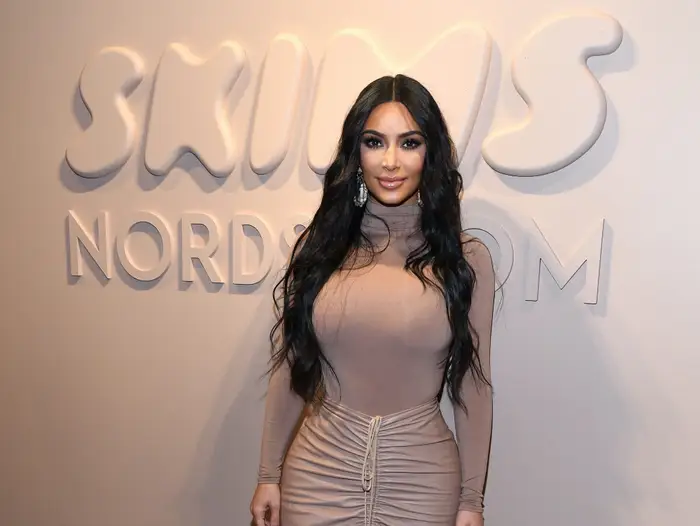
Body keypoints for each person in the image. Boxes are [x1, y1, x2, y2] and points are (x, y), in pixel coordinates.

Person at [250, 74, 496, 526]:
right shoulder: (318, 250)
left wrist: (471, 501)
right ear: (356, 152)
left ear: (430, 154)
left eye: (409, 143)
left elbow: (472, 386)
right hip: (316, 475)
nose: (390, 161)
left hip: (422, 484)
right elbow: (290, 365)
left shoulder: (465, 260)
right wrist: (268, 474)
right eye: (374, 142)